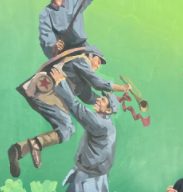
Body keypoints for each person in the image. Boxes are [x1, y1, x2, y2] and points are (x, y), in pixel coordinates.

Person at [9, 45, 128, 177]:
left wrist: (106, 102)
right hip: (46, 90)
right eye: (98, 61)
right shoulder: (81, 61)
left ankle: (19, 149)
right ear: (90, 56)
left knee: (66, 129)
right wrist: (122, 88)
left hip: (48, 94)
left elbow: (88, 96)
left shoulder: (82, 76)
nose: (98, 66)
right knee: (67, 128)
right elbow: (97, 82)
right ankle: (35, 144)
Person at [48, 69, 119, 192]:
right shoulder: (106, 125)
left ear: (108, 110)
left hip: (91, 185)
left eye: (103, 100)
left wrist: (61, 83)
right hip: (83, 181)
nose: (98, 100)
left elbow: (76, 108)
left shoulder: (101, 124)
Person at [38, 0, 107, 58]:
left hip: (82, 49)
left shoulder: (74, 0)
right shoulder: (45, 14)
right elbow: (46, 37)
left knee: (97, 59)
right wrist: (54, 46)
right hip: (64, 55)